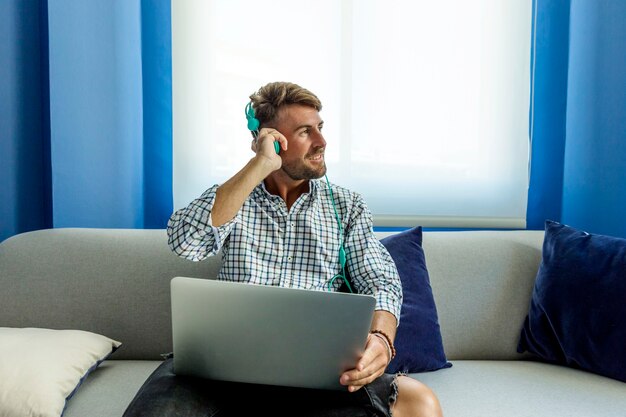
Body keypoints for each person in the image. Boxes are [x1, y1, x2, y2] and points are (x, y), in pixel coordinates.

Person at [124, 81, 443, 417]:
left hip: (321, 371)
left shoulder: (347, 206)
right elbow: (183, 240)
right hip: (221, 370)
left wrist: (380, 338)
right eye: (306, 132)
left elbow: (381, 281)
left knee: (419, 402)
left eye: (320, 128)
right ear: (269, 139)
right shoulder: (235, 197)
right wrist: (260, 166)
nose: (322, 142)